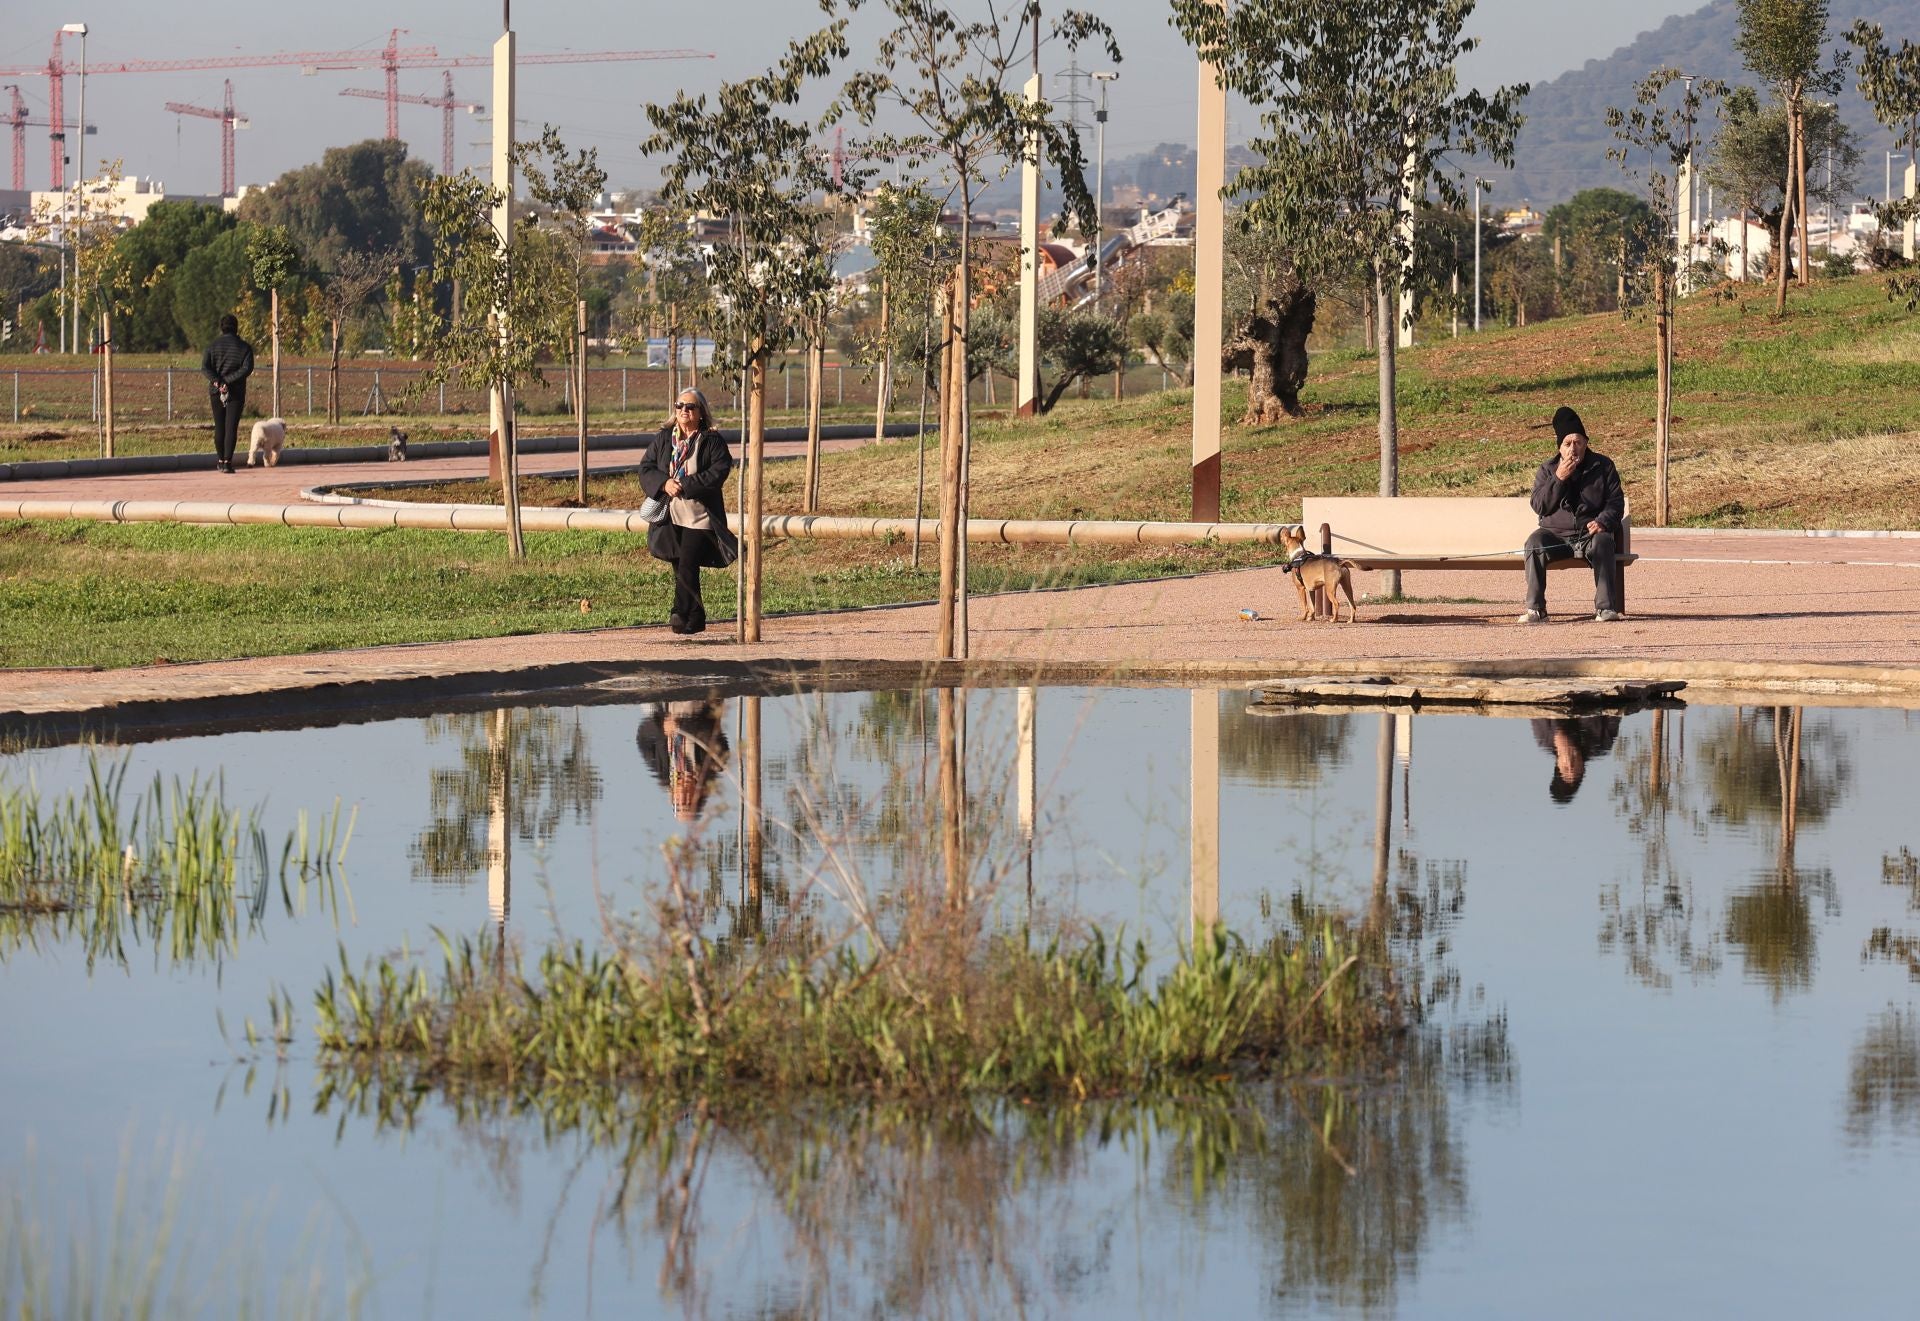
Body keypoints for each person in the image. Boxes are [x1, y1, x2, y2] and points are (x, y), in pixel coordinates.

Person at [640, 388, 738, 636]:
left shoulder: (711, 440)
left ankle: (679, 612)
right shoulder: (665, 438)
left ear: (701, 413)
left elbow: (719, 470)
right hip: (670, 513)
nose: (684, 410)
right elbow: (646, 467)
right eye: (680, 405)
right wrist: (664, 483)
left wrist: (686, 485)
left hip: (699, 516)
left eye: (690, 407)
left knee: (687, 564)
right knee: (682, 566)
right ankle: (697, 616)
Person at [1518, 405, 1627, 624]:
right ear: (1560, 448)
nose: (1573, 449)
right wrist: (1558, 479)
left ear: (1586, 443)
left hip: (1590, 535)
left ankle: (1605, 609)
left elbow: (1615, 503)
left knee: (1604, 541)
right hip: (1556, 536)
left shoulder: (1603, 466)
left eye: (1578, 442)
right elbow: (1540, 505)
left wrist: (1603, 521)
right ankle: (1536, 610)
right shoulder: (1547, 469)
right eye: (1567, 444)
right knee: (1534, 542)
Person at [636, 700, 731, 823]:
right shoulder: (712, 766)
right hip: (699, 704)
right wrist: (682, 727)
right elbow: (709, 729)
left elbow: (643, 737)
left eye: (678, 803)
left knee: (648, 706)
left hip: (666, 708)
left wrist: (662, 725)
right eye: (687, 803)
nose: (682, 797)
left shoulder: (664, 773)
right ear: (700, 796)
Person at [200, 313, 255, 475]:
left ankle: (220, 460)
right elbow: (247, 369)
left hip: (216, 391)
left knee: (220, 426)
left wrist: (218, 382)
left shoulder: (212, 346)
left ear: (221, 328)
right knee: (231, 427)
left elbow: (205, 367)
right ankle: (227, 463)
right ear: (237, 328)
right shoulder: (244, 347)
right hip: (236, 392)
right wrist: (228, 382)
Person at [1530, 714, 1620, 803]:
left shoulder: (1543, 738)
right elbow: (1617, 711)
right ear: (1583, 769)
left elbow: (1537, 710)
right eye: (1574, 768)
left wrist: (1558, 734)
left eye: (1565, 768)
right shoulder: (1603, 743)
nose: (1569, 763)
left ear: (1558, 765)